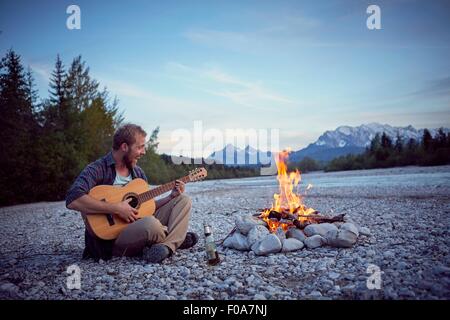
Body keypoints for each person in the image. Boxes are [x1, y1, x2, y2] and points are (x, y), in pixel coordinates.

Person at [65, 123, 198, 263]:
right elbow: (73, 199)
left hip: (139, 224)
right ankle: (176, 239)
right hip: (112, 240)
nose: (144, 151)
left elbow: (146, 209)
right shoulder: (97, 169)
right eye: (140, 147)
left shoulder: (138, 173)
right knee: (151, 225)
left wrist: (171, 197)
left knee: (183, 200)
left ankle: (167, 246)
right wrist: (116, 208)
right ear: (124, 147)